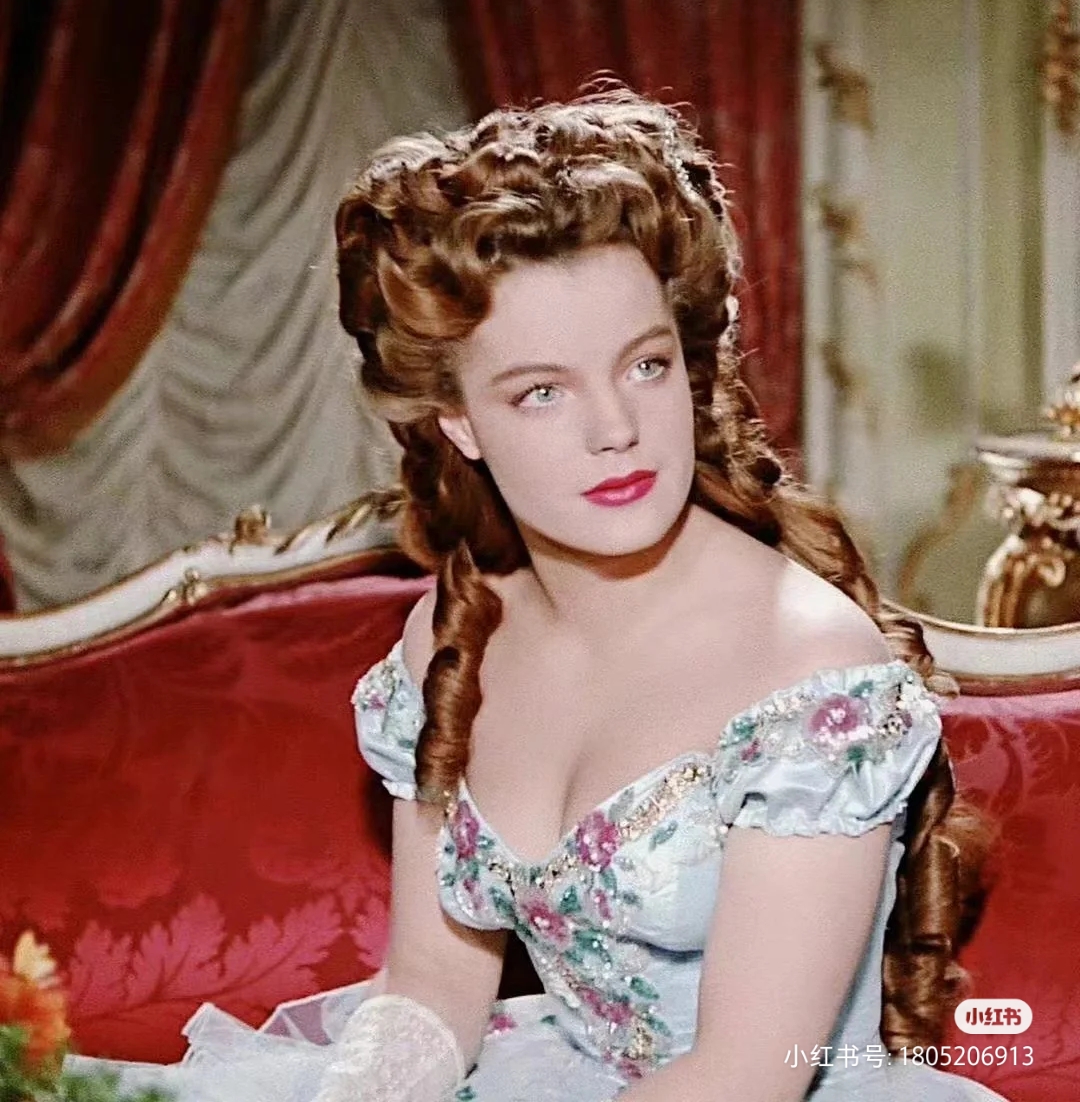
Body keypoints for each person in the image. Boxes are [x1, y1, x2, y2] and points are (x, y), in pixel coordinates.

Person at [67, 90, 1010, 1102]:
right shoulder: (455, 634)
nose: (616, 429)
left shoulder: (811, 670)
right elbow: (435, 988)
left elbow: (745, 1076)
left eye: (644, 365)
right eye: (542, 391)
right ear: (459, 420)